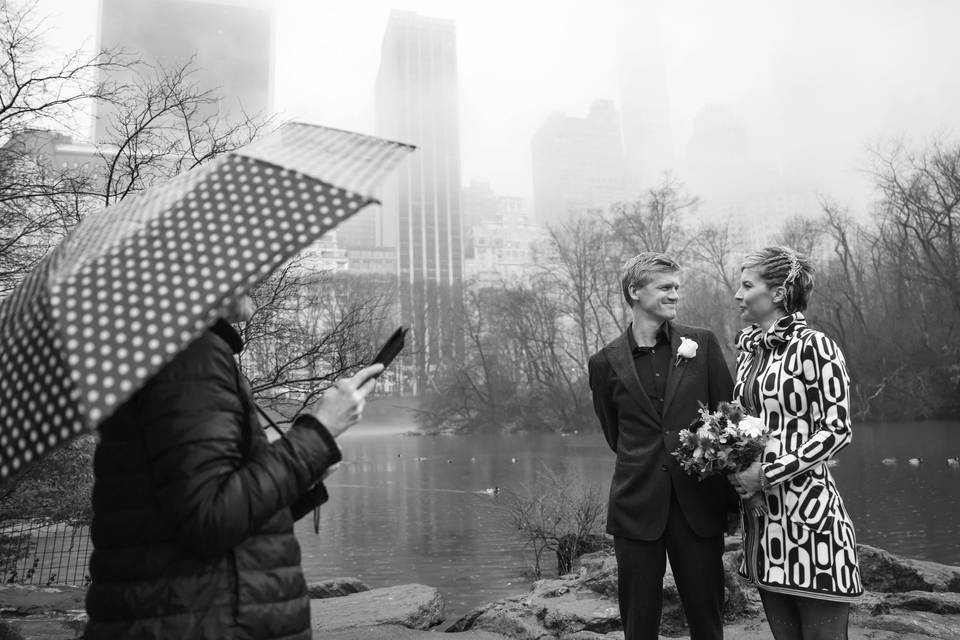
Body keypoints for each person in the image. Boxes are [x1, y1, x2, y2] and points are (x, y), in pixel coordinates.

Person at [84, 295, 383, 640]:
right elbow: (210, 516)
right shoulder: (190, 358)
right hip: (207, 622)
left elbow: (194, 514)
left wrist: (300, 477)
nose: (254, 279)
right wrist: (319, 433)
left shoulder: (170, 351)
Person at [588, 252, 735, 640]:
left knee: (708, 620)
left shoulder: (701, 344)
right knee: (638, 624)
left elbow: (728, 416)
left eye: (677, 287)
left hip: (698, 504)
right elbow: (614, 434)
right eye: (665, 287)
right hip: (636, 506)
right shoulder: (604, 362)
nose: (675, 294)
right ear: (635, 291)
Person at [730, 246, 862, 640]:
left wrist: (767, 473)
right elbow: (744, 428)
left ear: (777, 293)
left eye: (747, 285)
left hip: (811, 519)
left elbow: (838, 429)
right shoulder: (749, 354)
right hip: (764, 524)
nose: (738, 294)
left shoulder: (815, 346)